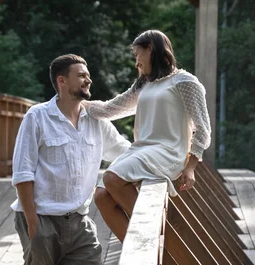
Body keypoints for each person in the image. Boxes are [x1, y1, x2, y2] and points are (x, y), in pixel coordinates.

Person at [11, 54, 131, 265]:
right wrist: (33, 224)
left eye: (88, 75)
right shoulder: (37, 117)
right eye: (81, 76)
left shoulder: (96, 121)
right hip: (39, 218)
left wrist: (169, 159)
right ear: (62, 81)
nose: (88, 81)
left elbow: (126, 152)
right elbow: (21, 173)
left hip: (78, 220)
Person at [86, 30, 212, 242]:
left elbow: (203, 127)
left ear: (150, 49)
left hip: (168, 152)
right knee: (100, 197)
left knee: (111, 178)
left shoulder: (184, 81)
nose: (136, 62)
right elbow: (110, 109)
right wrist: (75, 102)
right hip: (142, 149)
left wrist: (191, 167)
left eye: (137, 54)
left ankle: (150, 239)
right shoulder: (145, 84)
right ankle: (136, 246)